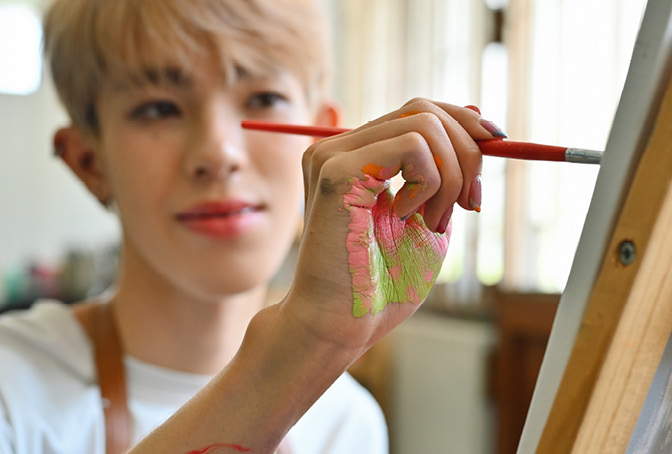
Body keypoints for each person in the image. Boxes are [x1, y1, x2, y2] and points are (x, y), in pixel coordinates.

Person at [0, 0, 500, 452]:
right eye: (159, 108)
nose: (219, 153)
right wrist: (305, 342)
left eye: (263, 99)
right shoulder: (12, 389)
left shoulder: (347, 422)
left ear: (324, 138)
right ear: (89, 161)